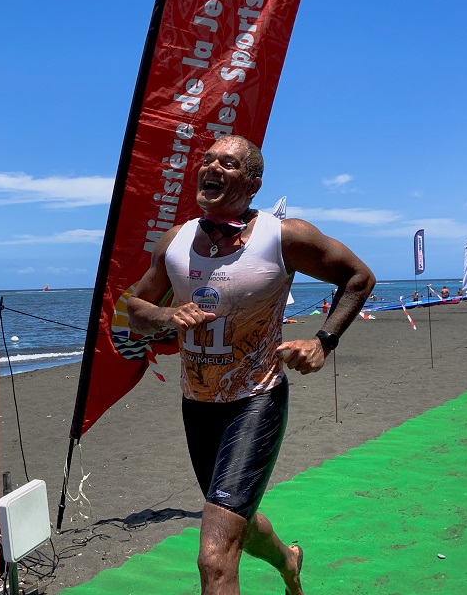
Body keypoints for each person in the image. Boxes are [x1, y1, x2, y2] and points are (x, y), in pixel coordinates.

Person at [127, 135, 375, 595]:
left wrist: (324, 341)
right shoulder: (175, 242)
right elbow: (135, 311)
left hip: (255, 401)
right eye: (207, 160)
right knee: (236, 518)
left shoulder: (282, 237)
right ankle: (289, 561)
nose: (211, 167)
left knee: (215, 555)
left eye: (228, 162)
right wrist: (167, 314)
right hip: (197, 405)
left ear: (254, 183)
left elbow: (358, 278)